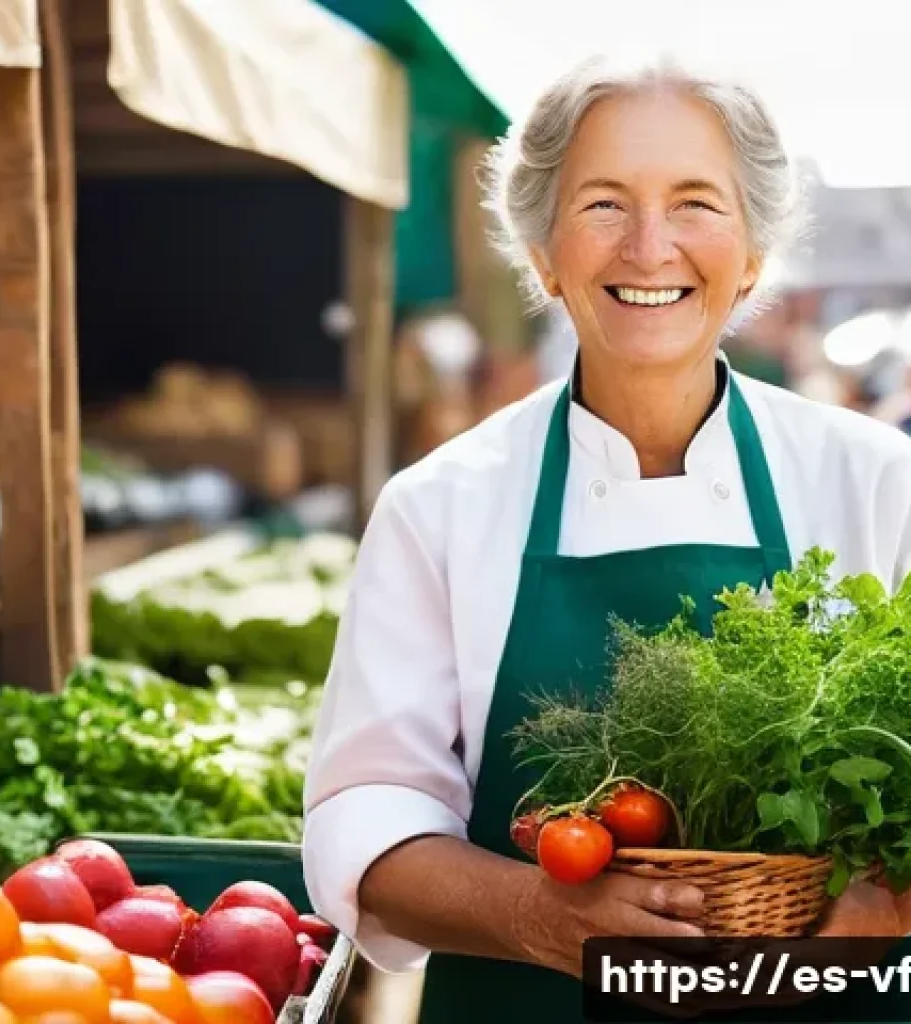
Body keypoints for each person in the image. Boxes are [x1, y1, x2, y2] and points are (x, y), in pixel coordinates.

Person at [302, 54, 911, 1022]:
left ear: (753, 254)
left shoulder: (880, 482)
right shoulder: (440, 506)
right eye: (602, 205)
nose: (649, 246)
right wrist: (531, 911)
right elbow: (363, 815)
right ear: (542, 254)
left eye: (695, 203)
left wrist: (879, 911)